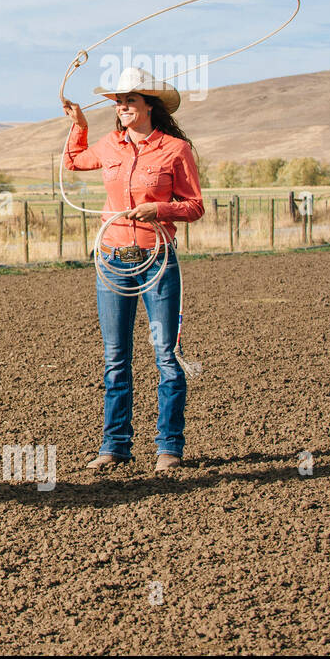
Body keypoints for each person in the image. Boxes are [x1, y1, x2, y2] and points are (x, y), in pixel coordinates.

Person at [61, 68, 204, 472]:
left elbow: (194, 206)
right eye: (119, 102)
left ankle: (169, 448)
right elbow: (73, 161)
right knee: (115, 357)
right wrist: (80, 126)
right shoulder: (109, 146)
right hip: (112, 259)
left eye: (130, 101)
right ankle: (115, 445)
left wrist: (158, 209)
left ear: (149, 107)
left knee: (166, 354)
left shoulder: (175, 150)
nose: (122, 107)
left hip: (156, 261)